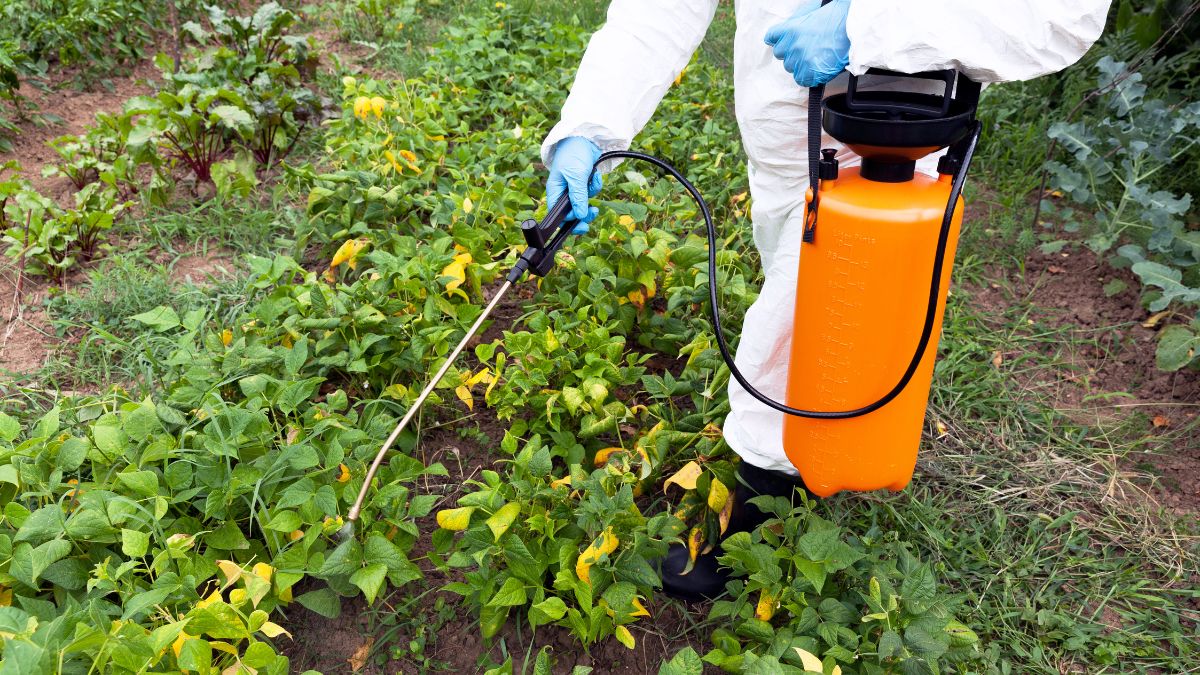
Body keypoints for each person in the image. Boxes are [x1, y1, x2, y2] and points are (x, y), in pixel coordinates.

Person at [541, 0, 1112, 599]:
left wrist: (863, 23)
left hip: (887, 133)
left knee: (802, 315)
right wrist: (590, 128)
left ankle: (764, 503)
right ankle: (817, 444)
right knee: (808, 304)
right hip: (783, 145)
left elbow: (1060, 13)